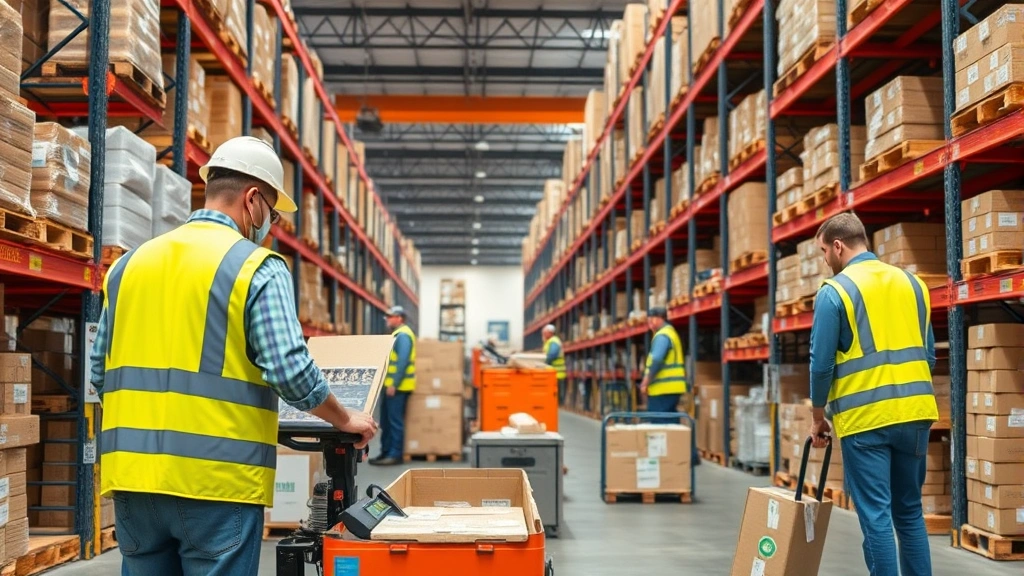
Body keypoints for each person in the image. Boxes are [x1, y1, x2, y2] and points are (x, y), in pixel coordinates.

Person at [90, 136, 378, 576]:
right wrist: (344, 419)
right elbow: (290, 371)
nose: (272, 225)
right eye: (274, 213)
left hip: (132, 480)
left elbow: (99, 373)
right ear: (253, 199)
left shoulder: (130, 264)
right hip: (215, 484)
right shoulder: (254, 266)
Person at [808, 212, 937, 576]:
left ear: (838, 246)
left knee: (876, 515)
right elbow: (928, 354)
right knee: (910, 512)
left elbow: (821, 364)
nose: (824, 260)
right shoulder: (913, 284)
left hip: (865, 421)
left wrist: (819, 418)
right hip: (915, 414)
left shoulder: (835, 291)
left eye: (823, 251)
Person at [370, 305, 417, 466]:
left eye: (390, 316)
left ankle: (395, 454)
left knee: (395, 421)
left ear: (400, 318)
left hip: (398, 387)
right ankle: (385, 452)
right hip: (391, 386)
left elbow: (402, 362)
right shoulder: (397, 334)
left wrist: (394, 384)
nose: (387, 319)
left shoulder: (403, 336)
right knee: (386, 421)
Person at [640, 307, 687, 423]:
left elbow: (657, 360)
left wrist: (645, 382)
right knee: (670, 423)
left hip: (663, 390)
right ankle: (677, 441)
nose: (650, 323)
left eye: (652, 319)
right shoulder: (670, 333)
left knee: (660, 425)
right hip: (670, 389)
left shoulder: (662, 336)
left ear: (660, 318)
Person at [542, 324, 566, 403]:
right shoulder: (549, 342)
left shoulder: (554, 341)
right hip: (552, 373)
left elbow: (552, 355)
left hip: (556, 373)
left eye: (545, 332)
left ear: (550, 332)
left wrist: (542, 363)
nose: (543, 334)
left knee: (555, 397)